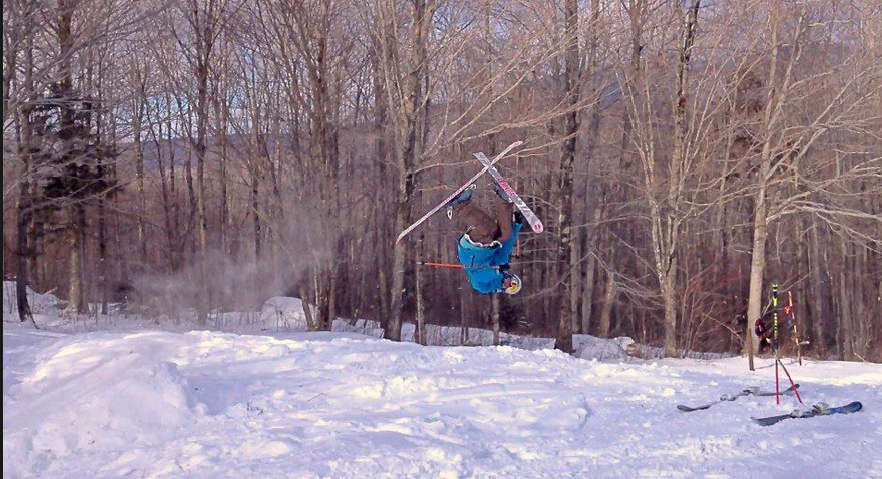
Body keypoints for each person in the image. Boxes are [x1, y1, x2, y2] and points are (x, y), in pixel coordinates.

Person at [446, 184, 524, 295]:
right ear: (512, 277)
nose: (509, 284)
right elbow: (507, 244)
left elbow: (476, 279)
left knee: (489, 231)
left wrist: (495, 272)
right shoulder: (502, 263)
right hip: (487, 248)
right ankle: (503, 199)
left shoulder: (487, 287)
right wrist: (516, 224)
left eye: (511, 288)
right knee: (506, 234)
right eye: (514, 283)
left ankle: (460, 205)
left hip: (471, 255)